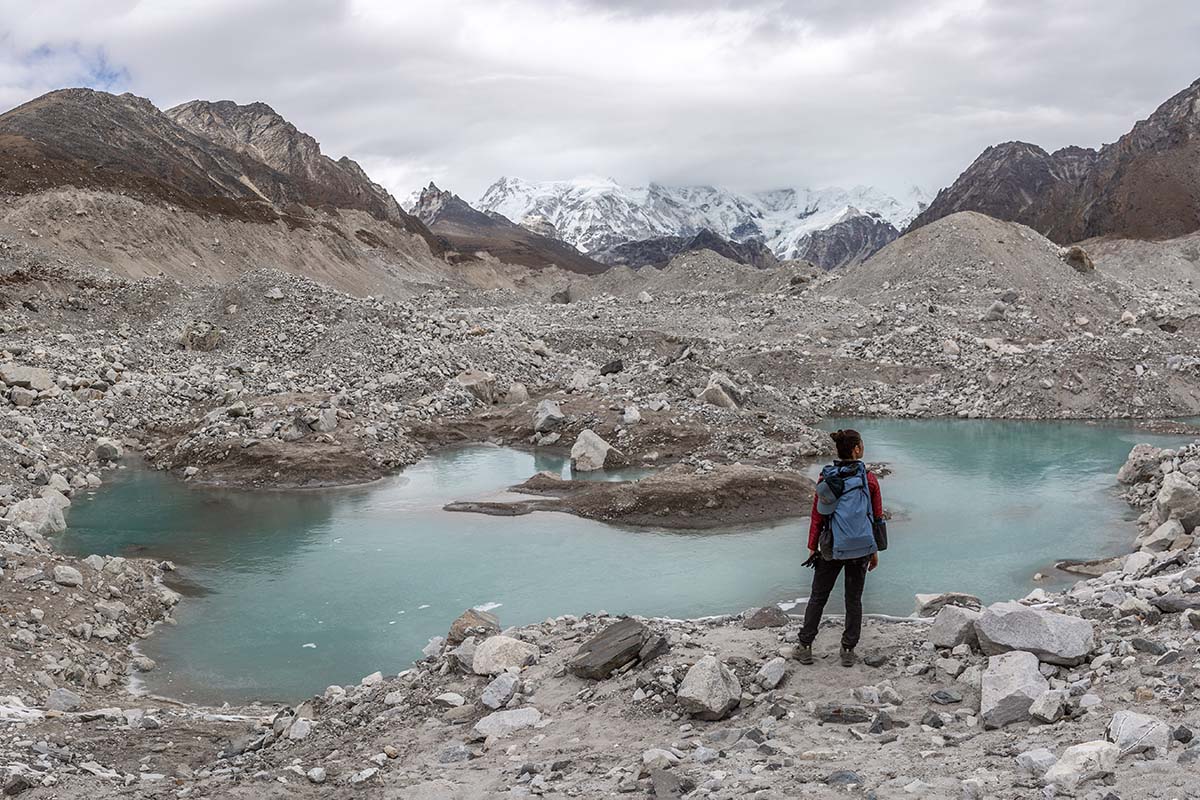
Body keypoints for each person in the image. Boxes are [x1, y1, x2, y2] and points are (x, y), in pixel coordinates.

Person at [796, 429, 882, 667]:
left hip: (831, 547)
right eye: (861, 445)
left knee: (818, 597)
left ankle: (805, 646)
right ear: (856, 449)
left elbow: (817, 516)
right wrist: (874, 550)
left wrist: (812, 546)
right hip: (861, 548)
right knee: (853, 600)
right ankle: (847, 649)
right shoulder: (869, 479)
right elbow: (876, 517)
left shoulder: (827, 478)